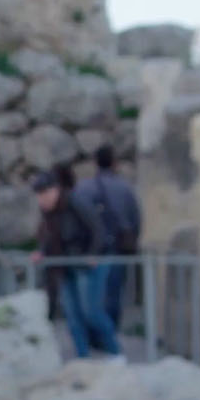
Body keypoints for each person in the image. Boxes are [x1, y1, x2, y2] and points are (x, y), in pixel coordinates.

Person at [34, 167, 119, 358]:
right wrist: (42, 252)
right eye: (39, 195)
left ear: (55, 190)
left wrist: (93, 254)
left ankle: (115, 353)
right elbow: (48, 237)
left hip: (89, 264)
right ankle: (83, 357)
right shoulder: (48, 213)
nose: (42, 199)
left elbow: (97, 229)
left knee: (92, 312)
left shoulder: (76, 202)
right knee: (72, 316)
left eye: (45, 193)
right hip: (66, 265)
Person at [76, 146, 141, 327]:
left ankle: (95, 334)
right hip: (118, 247)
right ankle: (111, 333)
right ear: (114, 163)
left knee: (91, 296)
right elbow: (135, 219)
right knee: (113, 293)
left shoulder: (84, 188)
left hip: (92, 251)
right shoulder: (125, 189)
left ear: (95, 163)